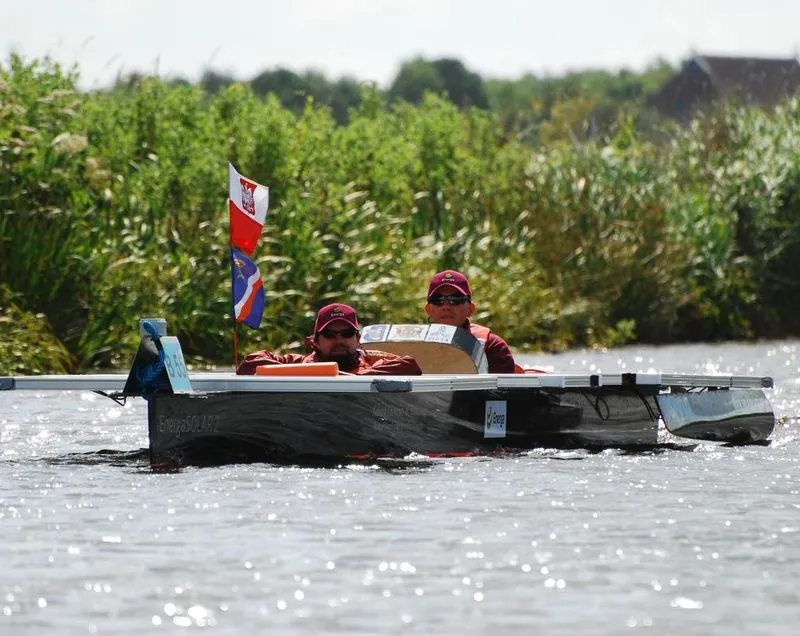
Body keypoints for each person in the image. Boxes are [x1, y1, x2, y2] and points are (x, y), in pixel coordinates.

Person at [237, 303, 422, 376]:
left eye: (347, 333)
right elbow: (250, 362)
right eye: (330, 335)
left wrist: (358, 380)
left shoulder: (372, 361)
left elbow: (410, 365)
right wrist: (303, 373)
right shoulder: (299, 363)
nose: (339, 339)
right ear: (315, 341)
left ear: (358, 339)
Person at [424, 270, 518, 374]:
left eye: (455, 299)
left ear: (470, 309)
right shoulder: (412, 345)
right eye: (438, 300)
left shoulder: (493, 346)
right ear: (428, 310)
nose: (446, 307)